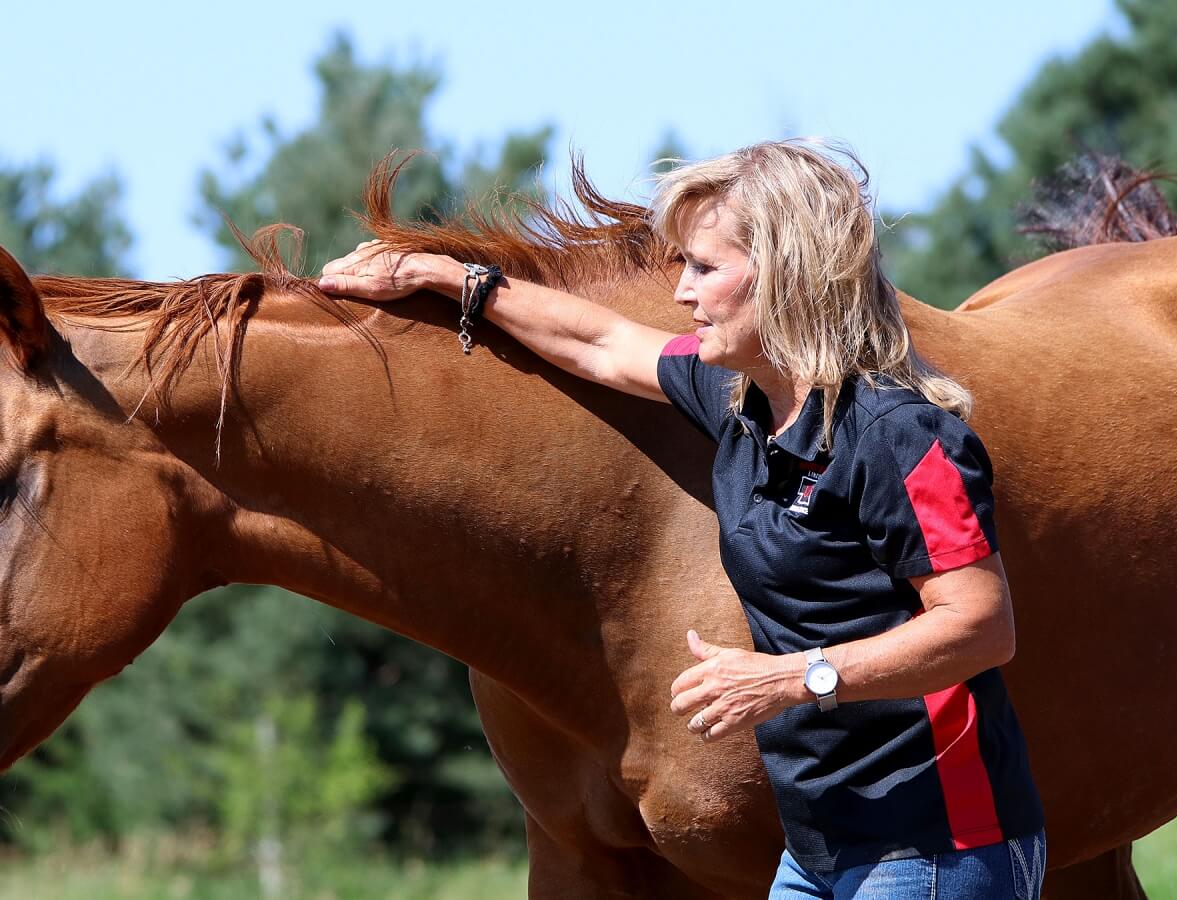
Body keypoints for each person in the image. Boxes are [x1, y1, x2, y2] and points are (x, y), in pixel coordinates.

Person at [317, 140, 1046, 899]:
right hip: (821, 848)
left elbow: (983, 626)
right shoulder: (739, 404)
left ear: (786, 275)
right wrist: (446, 276)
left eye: (704, 267)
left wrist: (791, 678)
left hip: (935, 849)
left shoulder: (902, 436)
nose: (682, 294)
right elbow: (599, 343)